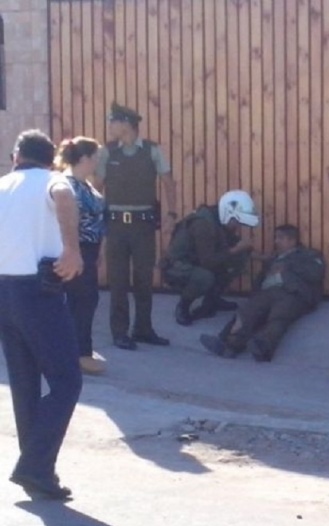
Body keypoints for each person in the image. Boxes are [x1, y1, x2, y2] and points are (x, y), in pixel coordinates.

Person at [0, 130, 83, 500]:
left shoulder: (3, 186)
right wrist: (72, 249)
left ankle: (38, 471)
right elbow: (64, 195)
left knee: (25, 383)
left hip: (4, 289)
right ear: (51, 160)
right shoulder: (54, 181)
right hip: (37, 292)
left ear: (17, 156)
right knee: (67, 381)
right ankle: (35, 466)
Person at [94, 102, 177, 351]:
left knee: (143, 279)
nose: (109, 126)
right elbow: (97, 187)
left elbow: (168, 182)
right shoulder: (107, 152)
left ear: (127, 124)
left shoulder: (152, 150)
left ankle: (143, 329)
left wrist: (172, 214)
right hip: (116, 225)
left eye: (113, 122)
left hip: (143, 225)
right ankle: (119, 332)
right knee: (118, 281)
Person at [200, 224, 325, 362]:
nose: (276, 241)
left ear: (292, 241)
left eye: (281, 238)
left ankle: (263, 347)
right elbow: (259, 281)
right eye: (276, 238)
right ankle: (228, 345)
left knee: (278, 316)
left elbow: (316, 273)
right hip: (267, 293)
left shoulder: (309, 255)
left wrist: (287, 266)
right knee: (247, 312)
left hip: (292, 293)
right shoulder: (273, 259)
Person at [162, 190, 259, 326]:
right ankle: (183, 306)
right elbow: (208, 262)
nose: (237, 225)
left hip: (198, 261)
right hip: (176, 267)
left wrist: (263, 256)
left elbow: (233, 245)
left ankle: (212, 300)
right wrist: (236, 249)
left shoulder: (218, 219)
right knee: (205, 277)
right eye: (236, 220)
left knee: (239, 257)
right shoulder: (204, 224)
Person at [56, 137, 107, 376]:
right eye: (95, 157)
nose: (97, 161)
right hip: (76, 249)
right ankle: (79, 353)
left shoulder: (85, 185)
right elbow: (68, 224)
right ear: (84, 158)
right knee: (80, 301)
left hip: (90, 249)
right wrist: (74, 251)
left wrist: (101, 250)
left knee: (86, 300)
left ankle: (79, 349)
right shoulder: (67, 186)